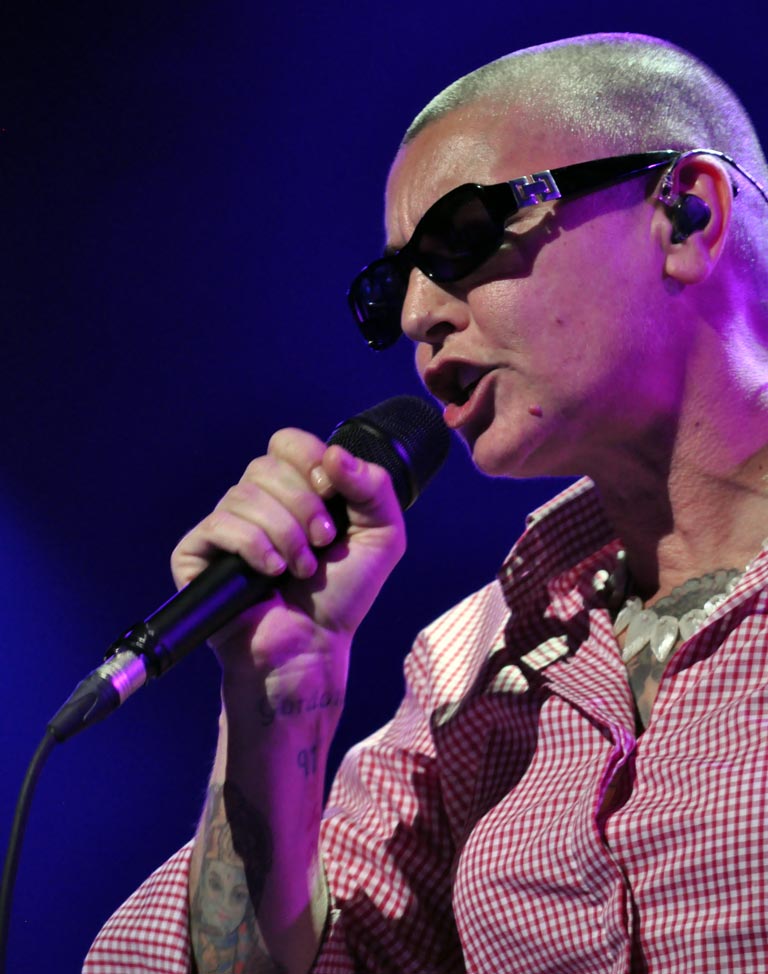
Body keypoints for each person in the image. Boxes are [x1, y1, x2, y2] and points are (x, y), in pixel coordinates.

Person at [84, 32, 768, 973]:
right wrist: (277, 697)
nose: (416, 316)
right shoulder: (473, 666)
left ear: (685, 216)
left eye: (463, 237)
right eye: (390, 287)